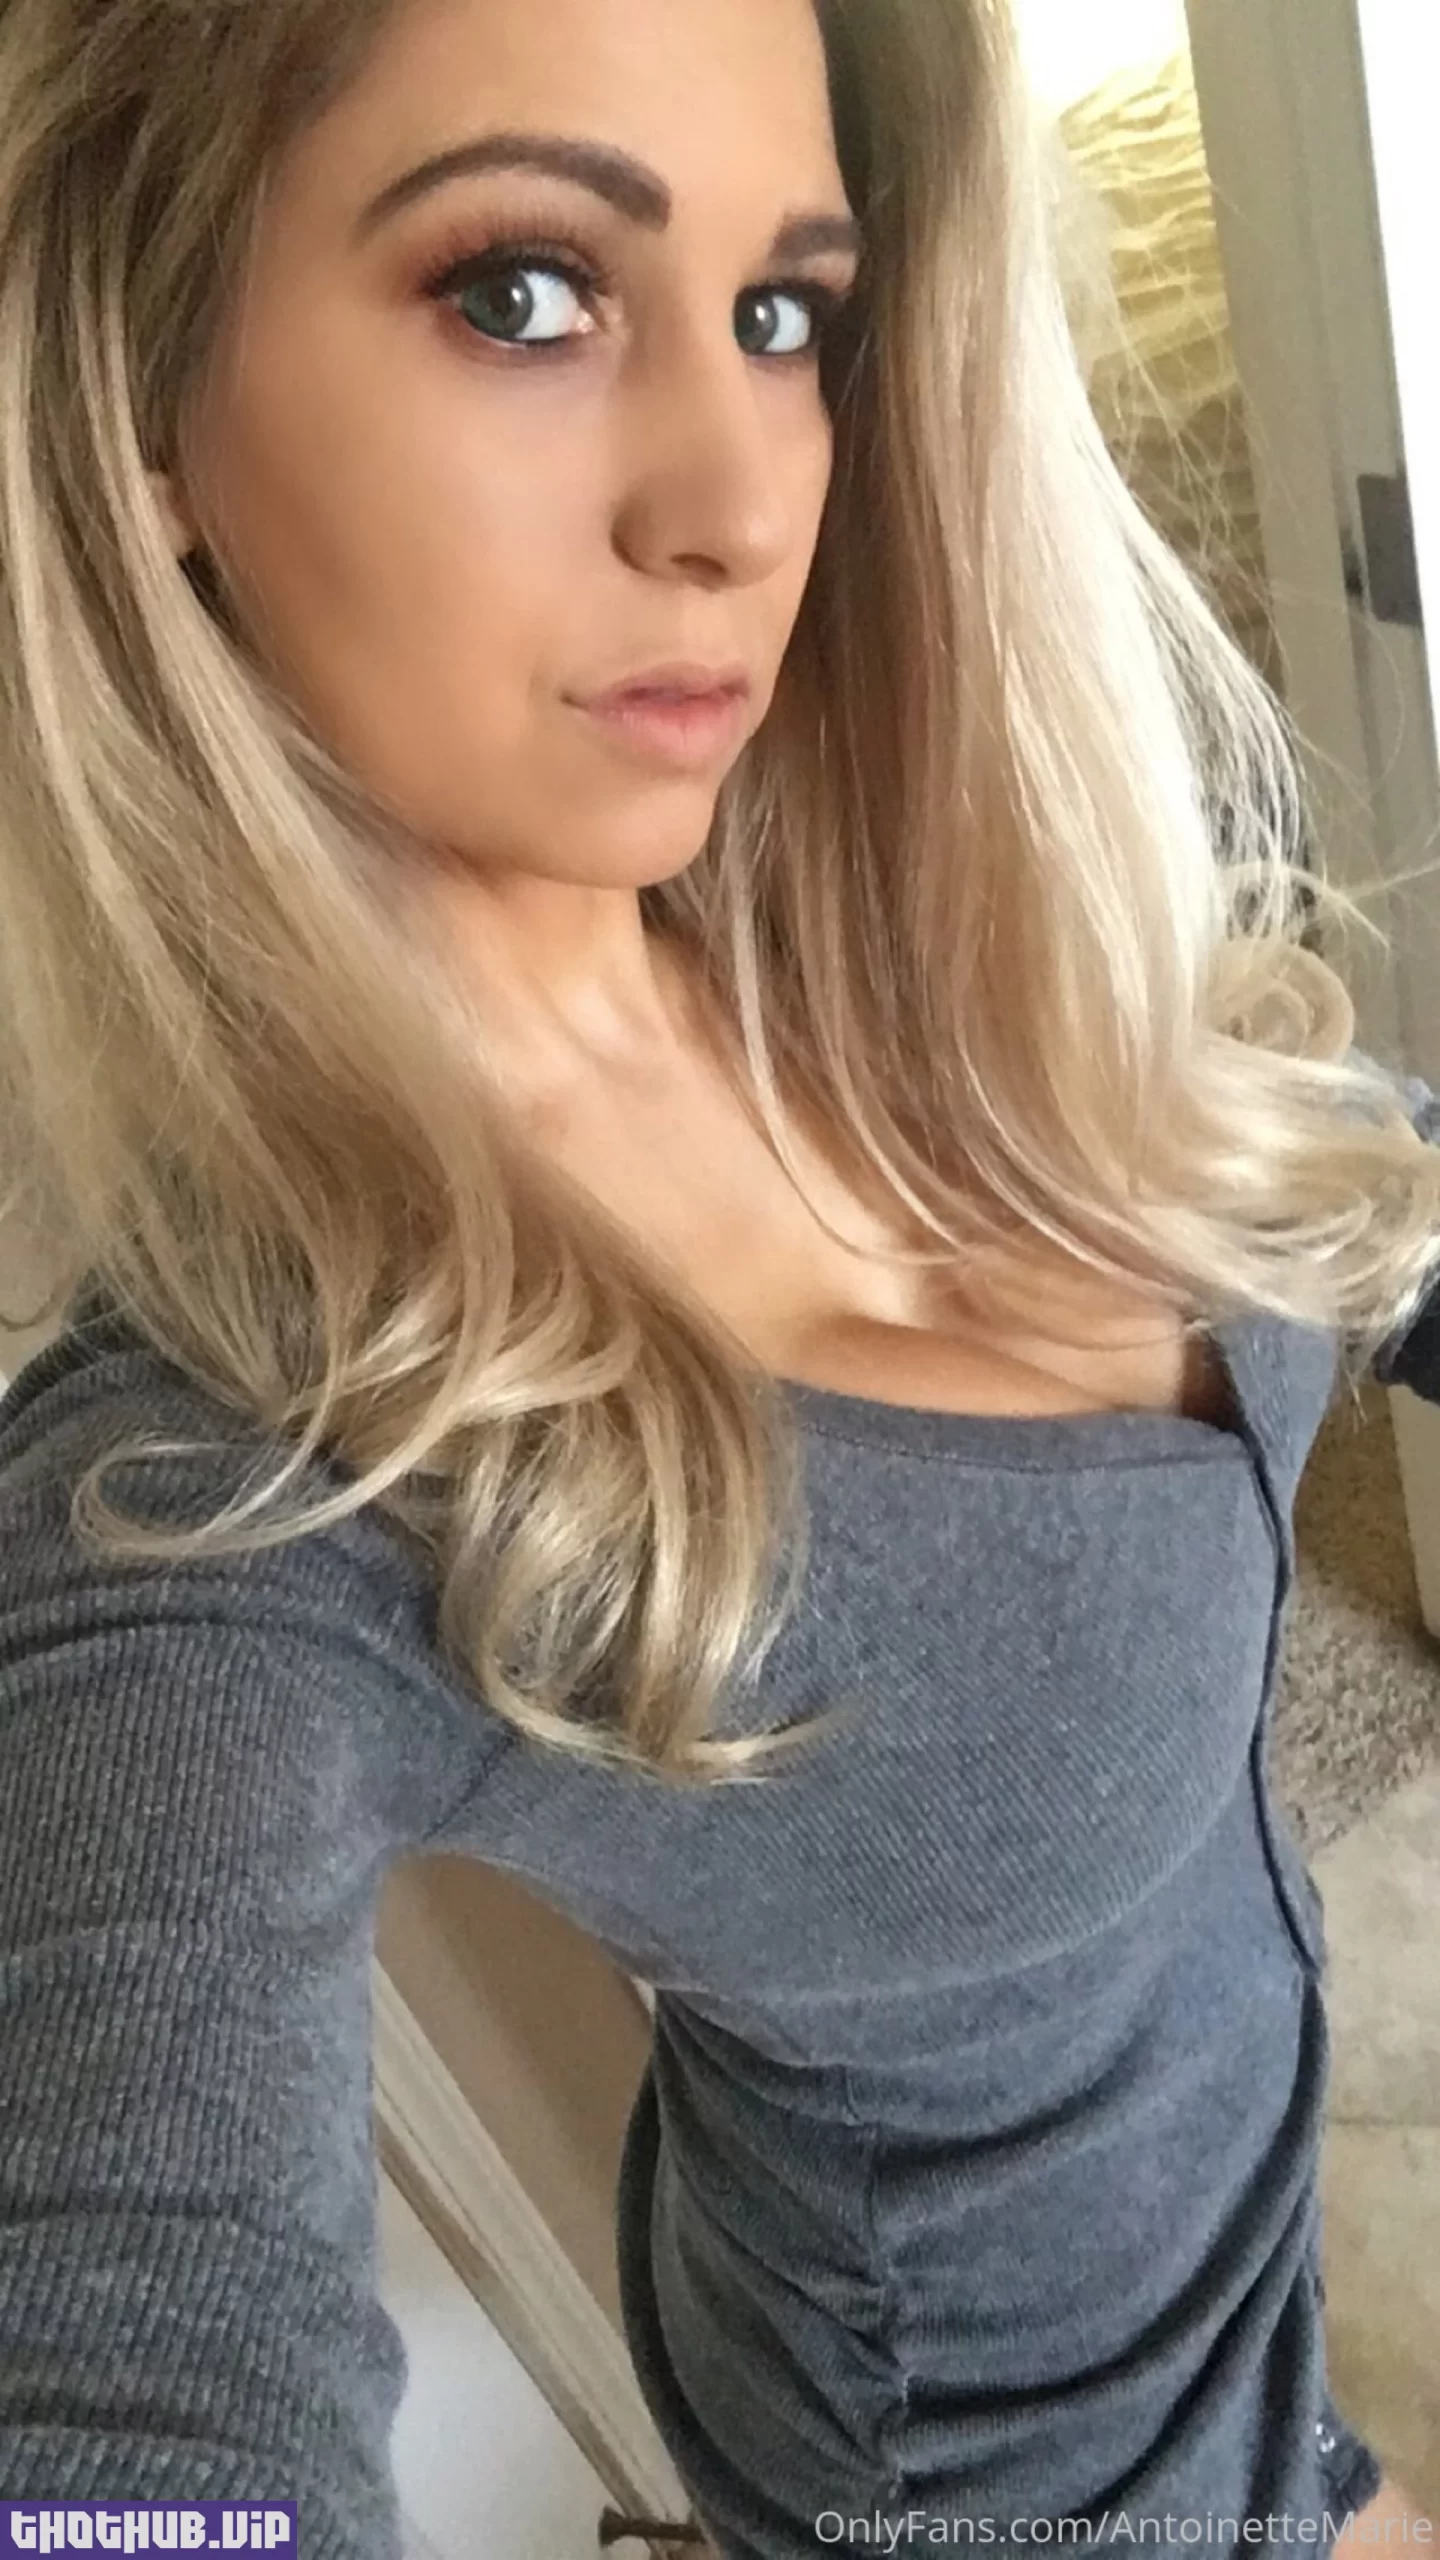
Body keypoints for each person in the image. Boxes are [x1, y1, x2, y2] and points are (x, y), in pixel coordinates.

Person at [0, 0, 1437, 2552]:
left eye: (787, 316)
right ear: (143, 406)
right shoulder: (223, 1479)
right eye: (525, 292)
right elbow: (126, 2448)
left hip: (1257, 2323)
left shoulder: (909, 952)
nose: (739, 498)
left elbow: (1335, 1188)